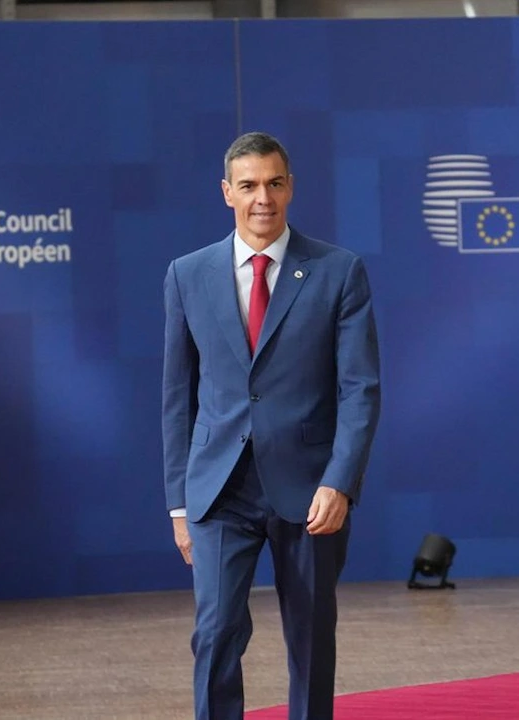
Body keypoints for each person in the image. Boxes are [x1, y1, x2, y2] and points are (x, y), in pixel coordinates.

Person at [161, 131, 381, 720]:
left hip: (309, 490)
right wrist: (179, 503)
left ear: (290, 188)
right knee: (215, 634)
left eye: (275, 183)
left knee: (310, 637)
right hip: (218, 489)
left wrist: (340, 481)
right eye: (250, 185)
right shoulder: (186, 275)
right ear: (227, 192)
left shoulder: (338, 271)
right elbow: (177, 396)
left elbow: (360, 389)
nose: (264, 198)